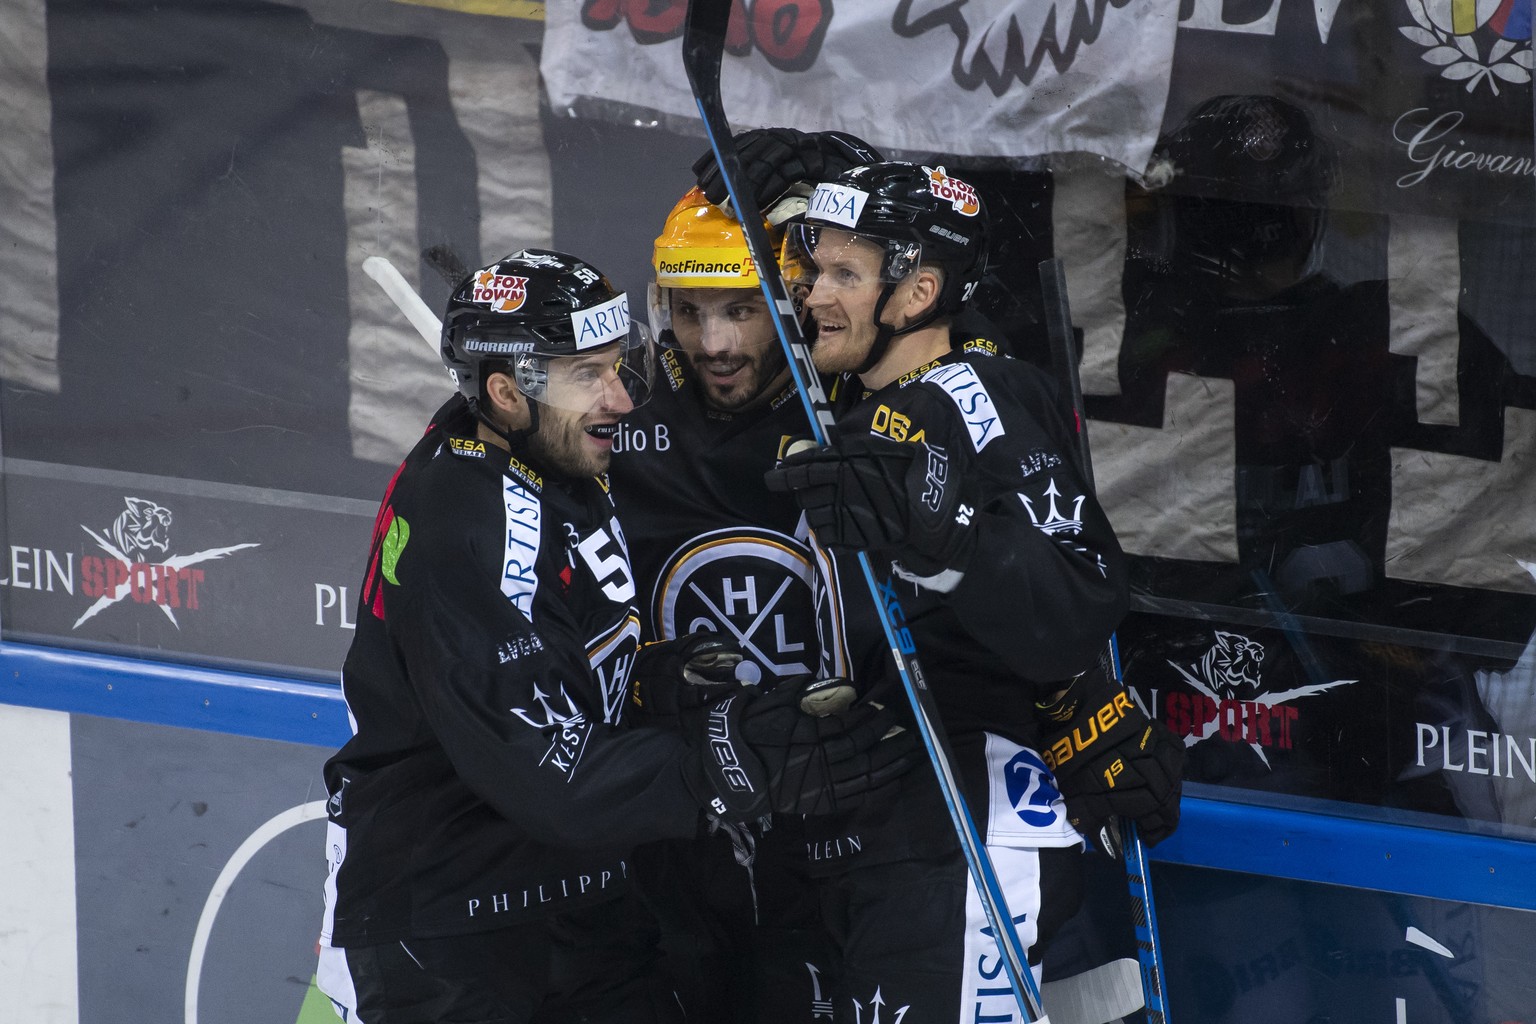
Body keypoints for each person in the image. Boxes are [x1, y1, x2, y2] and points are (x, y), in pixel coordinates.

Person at [313, 247, 915, 1024]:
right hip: (449, 928)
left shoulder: (549, 459)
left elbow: (547, 667)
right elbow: (544, 769)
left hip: (576, 901)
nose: (622, 399)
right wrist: (730, 759)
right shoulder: (469, 523)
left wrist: (648, 679)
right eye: (587, 376)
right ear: (505, 392)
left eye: (616, 365)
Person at [763, 162, 1186, 1022]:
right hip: (892, 828)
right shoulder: (856, 401)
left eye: (847, 275)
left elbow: (1078, 596)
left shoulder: (977, 393)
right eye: (815, 271)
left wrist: (947, 534)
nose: (813, 296)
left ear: (918, 293)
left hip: (973, 828)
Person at [610, 127, 882, 1024]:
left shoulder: (858, 400)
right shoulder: (619, 409)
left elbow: (960, 316)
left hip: (832, 815)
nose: (714, 342)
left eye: (741, 308)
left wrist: (839, 166)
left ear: (795, 300)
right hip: (677, 819)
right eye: (689, 311)